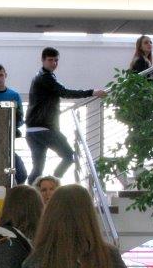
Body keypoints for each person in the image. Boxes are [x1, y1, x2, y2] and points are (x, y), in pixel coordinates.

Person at [24, 47, 105, 184]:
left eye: (56, 60)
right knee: (68, 156)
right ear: (43, 60)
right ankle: (53, 185)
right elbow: (65, 92)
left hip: (32, 130)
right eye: (50, 60)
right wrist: (92, 92)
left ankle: (30, 193)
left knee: (38, 169)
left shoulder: (40, 77)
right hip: (44, 128)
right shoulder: (45, 77)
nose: (54, 63)